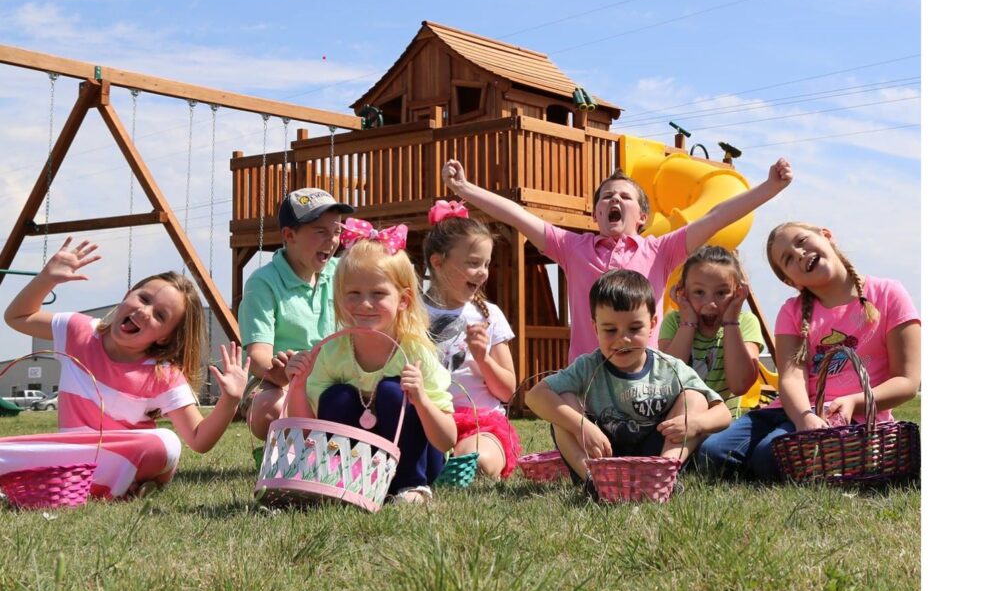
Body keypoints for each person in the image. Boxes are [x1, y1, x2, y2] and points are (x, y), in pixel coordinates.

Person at [442, 157, 792, 362]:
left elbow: (716, 216)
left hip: (643, 371)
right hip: (588, 374)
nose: (615, 199)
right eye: (607, 196)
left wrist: (769, 188)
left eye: (625, 196)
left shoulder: (660, 250)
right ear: (596, 213)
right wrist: (465, 189)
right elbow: (517, 215)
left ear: (641, 216)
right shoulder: (570, 246)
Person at [0, 238, 249, 498]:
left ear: (164, 337)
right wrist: (46, 278)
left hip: (122, 456)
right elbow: (17, 316)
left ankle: (80, 483)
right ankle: (104, 485)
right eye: (143, 298)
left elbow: (199, 439)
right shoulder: (78, 331)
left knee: (166, 443)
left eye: (160, 315)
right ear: (126, 295)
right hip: (71, 452)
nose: (144, 311)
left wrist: (230, 400)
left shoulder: (162, 374)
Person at [697, 222, 921, 480]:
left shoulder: (888, 294)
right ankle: (775, 449)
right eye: (788, 259)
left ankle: (766, 459)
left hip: (849, 415)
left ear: (826, 235)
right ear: (792, 281)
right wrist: (803, 418)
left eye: (802, 241)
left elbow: (907, 381)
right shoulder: (791, 311)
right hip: (792, 409)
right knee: (710, 453)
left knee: (768, 456)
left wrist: (853, 402)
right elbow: (791, 377)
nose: (799, 254)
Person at [285, 219, 456, 504]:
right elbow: (306, 430)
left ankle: (411, 487)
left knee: (394, 391)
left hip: (422, 458)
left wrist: (422, 400)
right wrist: (299, 384)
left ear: (403, 300)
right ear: (339, 299)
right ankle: (343, 479)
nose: (364, 304)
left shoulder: (415, 353)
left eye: (378, 294)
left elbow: (446, 440)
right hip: (363, 458)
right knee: (337, 397)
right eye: (353, 294)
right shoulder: (332, 352)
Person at [525, 270, 730, 488]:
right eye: (610, 330)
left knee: (694, 398)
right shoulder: (588, 366)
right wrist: (581, 426)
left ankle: (664, 476)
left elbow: (723, 413)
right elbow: (534, 397)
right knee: (562, 402)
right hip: (601, 455)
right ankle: (593, 482)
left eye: (634, 328)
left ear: (652, 324)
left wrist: (695, 424)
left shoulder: (669, 368)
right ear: (595, 328)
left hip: (655, 455)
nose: (623, 339)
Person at [238, 187, 353, 441]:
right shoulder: (263, 283)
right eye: (321, 231)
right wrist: (279, 372)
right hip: (278, 383)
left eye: (337, 232)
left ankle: (315, 444)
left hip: (334, 378)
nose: (332, 240)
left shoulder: (342, 272)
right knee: (270, 409)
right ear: (289, 235)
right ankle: (306, 446)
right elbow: (257, 358)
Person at [422, 200, 521, 479]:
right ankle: (436, 464)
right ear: (438, 262)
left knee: (477, 461)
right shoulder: (412, 312)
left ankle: (449, 464)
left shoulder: (488, 315)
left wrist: (483, 358)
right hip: (428, 419)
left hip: (479, 423)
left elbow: (506, 391)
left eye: (487, 264)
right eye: (473, 263)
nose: (483, 272)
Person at [659, 244, 764, 412]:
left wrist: (731, 322)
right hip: (682, 422)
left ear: (737, 293)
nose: (710, 304)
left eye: (721, 293)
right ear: (683, 292)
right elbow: (668, 381)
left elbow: (739, 385)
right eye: (699, 292)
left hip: (723, 425)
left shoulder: (745, 322)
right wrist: (688, 323)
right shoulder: (674, 322)